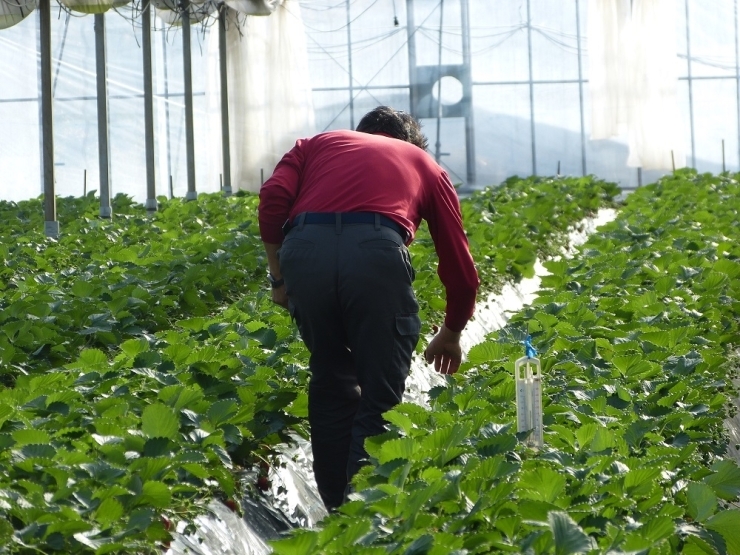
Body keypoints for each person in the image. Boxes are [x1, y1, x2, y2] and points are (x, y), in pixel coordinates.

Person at [258, 106, 479, 511]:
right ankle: (363, 515)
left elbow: (272, 198)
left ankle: (334, 511)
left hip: (305, 253)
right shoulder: (423, 164)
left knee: (330, 378)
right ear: (409, 143)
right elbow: (460, 267)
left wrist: (279, 279)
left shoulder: (316, 145)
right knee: (379, 396)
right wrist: (451, 331)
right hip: (375, 254)